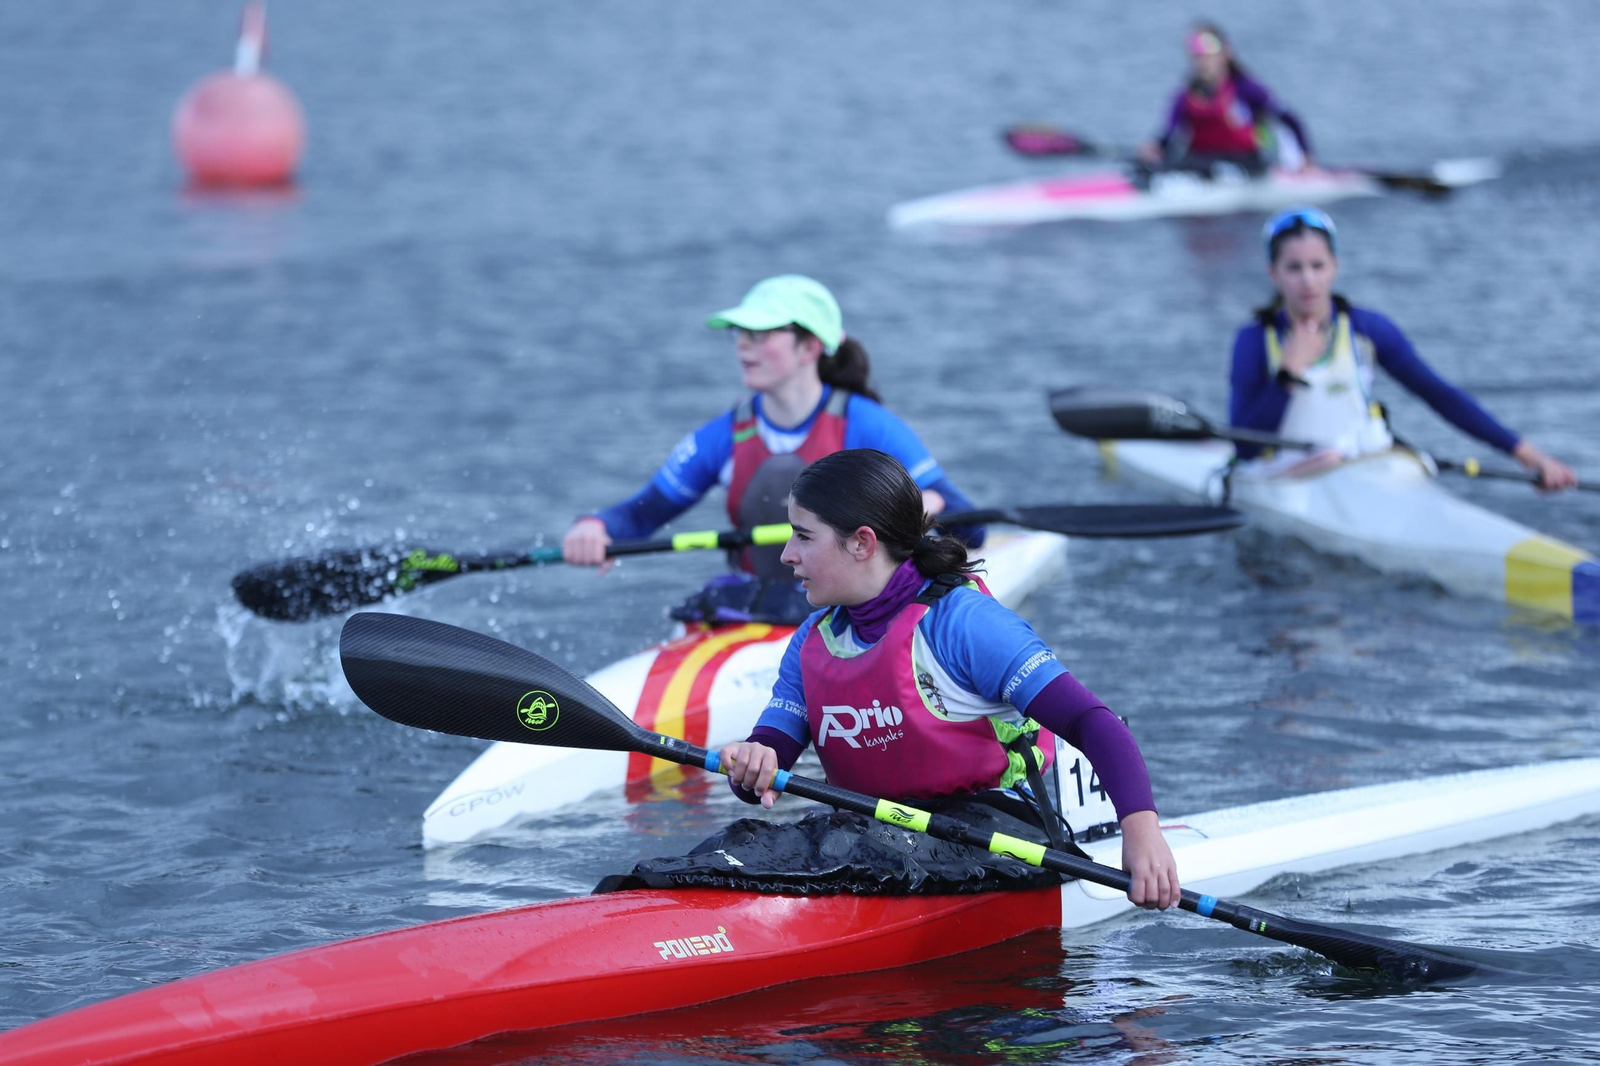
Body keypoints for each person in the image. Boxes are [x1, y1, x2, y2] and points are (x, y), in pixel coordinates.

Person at [718, 449, 1180, 910]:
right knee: (735, 847)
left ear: (862, 543)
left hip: (997, 834)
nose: (786, 555)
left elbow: (1091, 722)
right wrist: (752, 760)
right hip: (871, 838)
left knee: (846, 841)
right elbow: (768, 759)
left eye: (803, 536)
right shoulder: (813, 641)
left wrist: (1142, 834)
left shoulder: (965, 624)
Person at [561, 276, 983, 621]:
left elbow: (972, 527)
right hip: (755, 610)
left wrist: (920, 508)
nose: (743, 344)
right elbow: (643, 514)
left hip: (853, 611)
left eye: (761, 333)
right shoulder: (724, 436)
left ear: (809, 348)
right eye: (741, 333)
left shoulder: (867, 425)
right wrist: (596, 527)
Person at [1230, 207, 1578, 490]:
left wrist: (1531, 457)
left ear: (1335, 267)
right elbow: (1246, 448)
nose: (1308, 280)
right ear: (1273, 273)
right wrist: (1288, 375)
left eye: (1317, 266)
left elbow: (1440, 396)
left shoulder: (1367, 329)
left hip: (1363, 464)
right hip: (1288, 474)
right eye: (1294, 268)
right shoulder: (1254, 340)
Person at [1138, 22, 1312, 177]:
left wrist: (1303, 157)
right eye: (1196, 56)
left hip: (1245, 164)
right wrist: (1155, 148)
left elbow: (1290, 121)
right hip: (1201, 162)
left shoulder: (1247, 90)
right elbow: (1169, 134)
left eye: (1209, 54)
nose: (1203, 61)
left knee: (1205, 167)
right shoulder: (1184, 97)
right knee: (1153, 165)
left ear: (1225, 53)